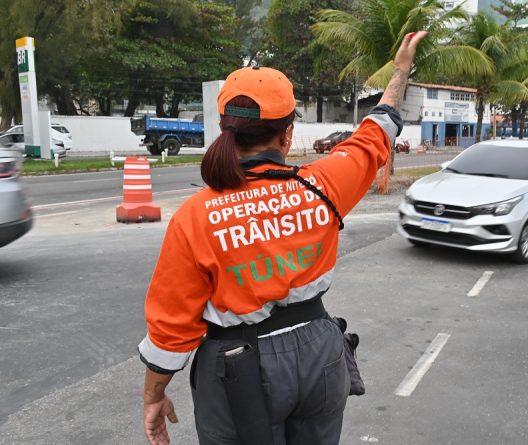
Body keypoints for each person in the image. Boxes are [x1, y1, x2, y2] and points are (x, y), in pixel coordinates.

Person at [139, 31, 428, 445]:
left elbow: (172, 328)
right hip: (319, 353)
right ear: (287, 135)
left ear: (224, 129)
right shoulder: (325, 184)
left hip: (236, 368)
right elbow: (378, 128)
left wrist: (154, 395)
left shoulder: (196, 216)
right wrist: (400, 70)